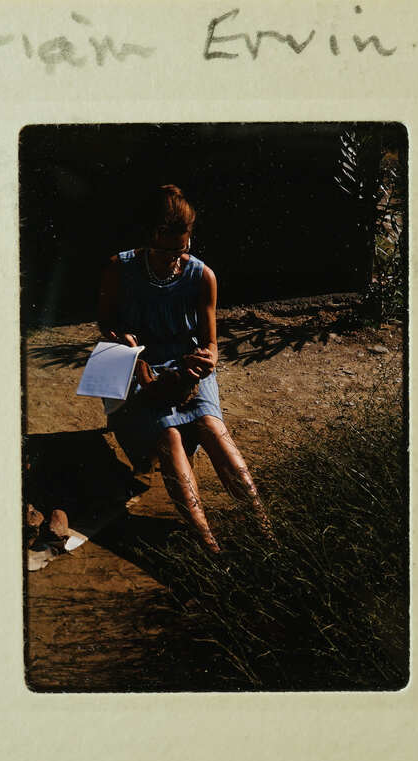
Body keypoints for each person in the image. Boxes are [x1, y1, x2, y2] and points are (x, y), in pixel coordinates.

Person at [98, 184, 270, 553]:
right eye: (165, 252)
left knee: (211, 426)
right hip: (136, 365)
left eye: (183, 250)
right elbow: (105, 325)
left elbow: (211, 344)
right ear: (148, 239)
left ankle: (263, 527)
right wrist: (124, 343)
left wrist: (207, 360)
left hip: (185, 365)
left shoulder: (202, 276)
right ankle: (207, 544)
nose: (175, 260)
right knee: (170, 437)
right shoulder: (120, 269)